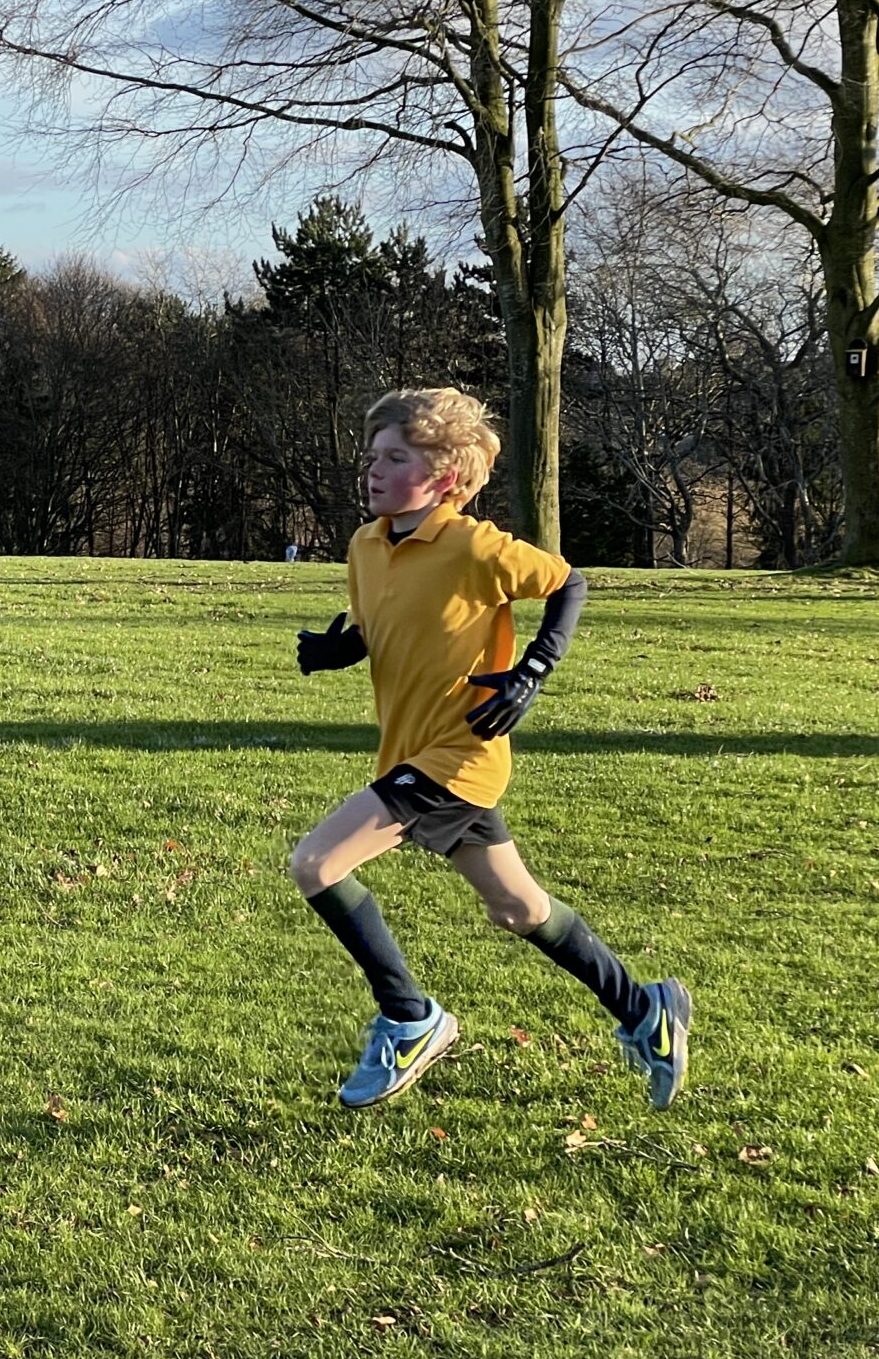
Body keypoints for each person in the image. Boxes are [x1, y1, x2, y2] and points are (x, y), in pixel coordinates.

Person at [290, 386, 690, 1109]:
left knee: (317, 863)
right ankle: (643, 1008)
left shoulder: (474, 546)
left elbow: (569, 582)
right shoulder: (366, 544)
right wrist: (336, 650)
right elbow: (382, 625)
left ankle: (410, 1019)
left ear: (444, 477)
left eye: (395, 458)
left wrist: (533, 671)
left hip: (458, 756)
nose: (373, 470)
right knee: (518, 908)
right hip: (411, 751)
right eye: (373, 456)